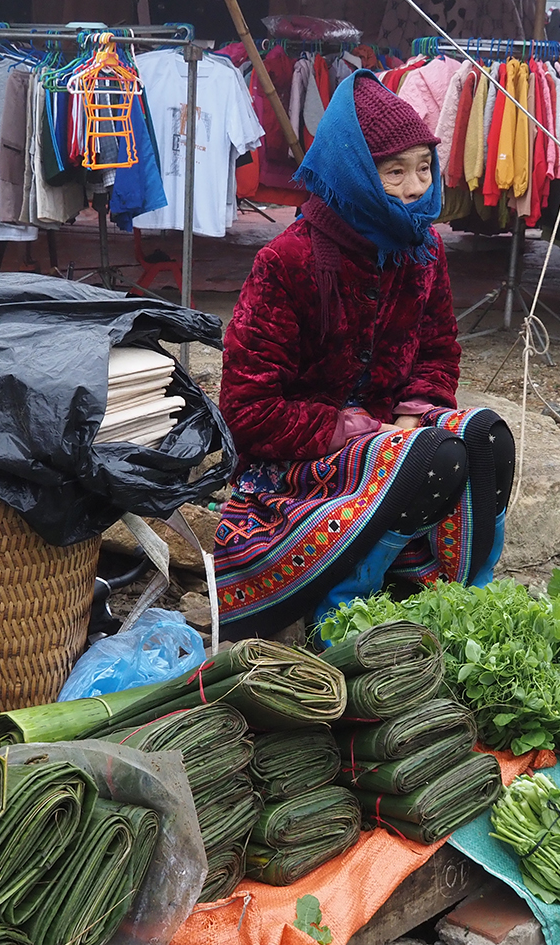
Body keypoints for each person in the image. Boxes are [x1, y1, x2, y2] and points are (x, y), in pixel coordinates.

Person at [214, 71, 515, 642]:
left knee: (482, 439)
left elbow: (438, 351)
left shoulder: (423, 250)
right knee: (429, 456)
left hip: (391, 439)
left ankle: (464, 602)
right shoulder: (289, 261)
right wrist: (354, 429)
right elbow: (248, 410)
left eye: (423, 167)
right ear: (354, 170)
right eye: (393, 171)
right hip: (293, 459)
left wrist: (409, 415)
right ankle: (345, 614)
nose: (412, 187)